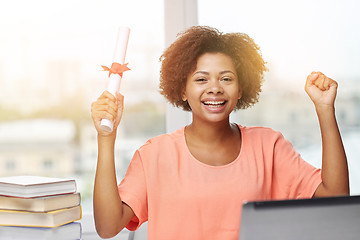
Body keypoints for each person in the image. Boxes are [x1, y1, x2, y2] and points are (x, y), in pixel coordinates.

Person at [91, 26, 349, 239]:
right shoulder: (154, 155)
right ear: (182, 90)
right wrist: (106, 138)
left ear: (240, 89)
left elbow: (336, 199)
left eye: (226, 78)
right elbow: (107, 226)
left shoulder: (268, 146)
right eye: (201, 79)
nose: (214, 88)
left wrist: (325, 110)